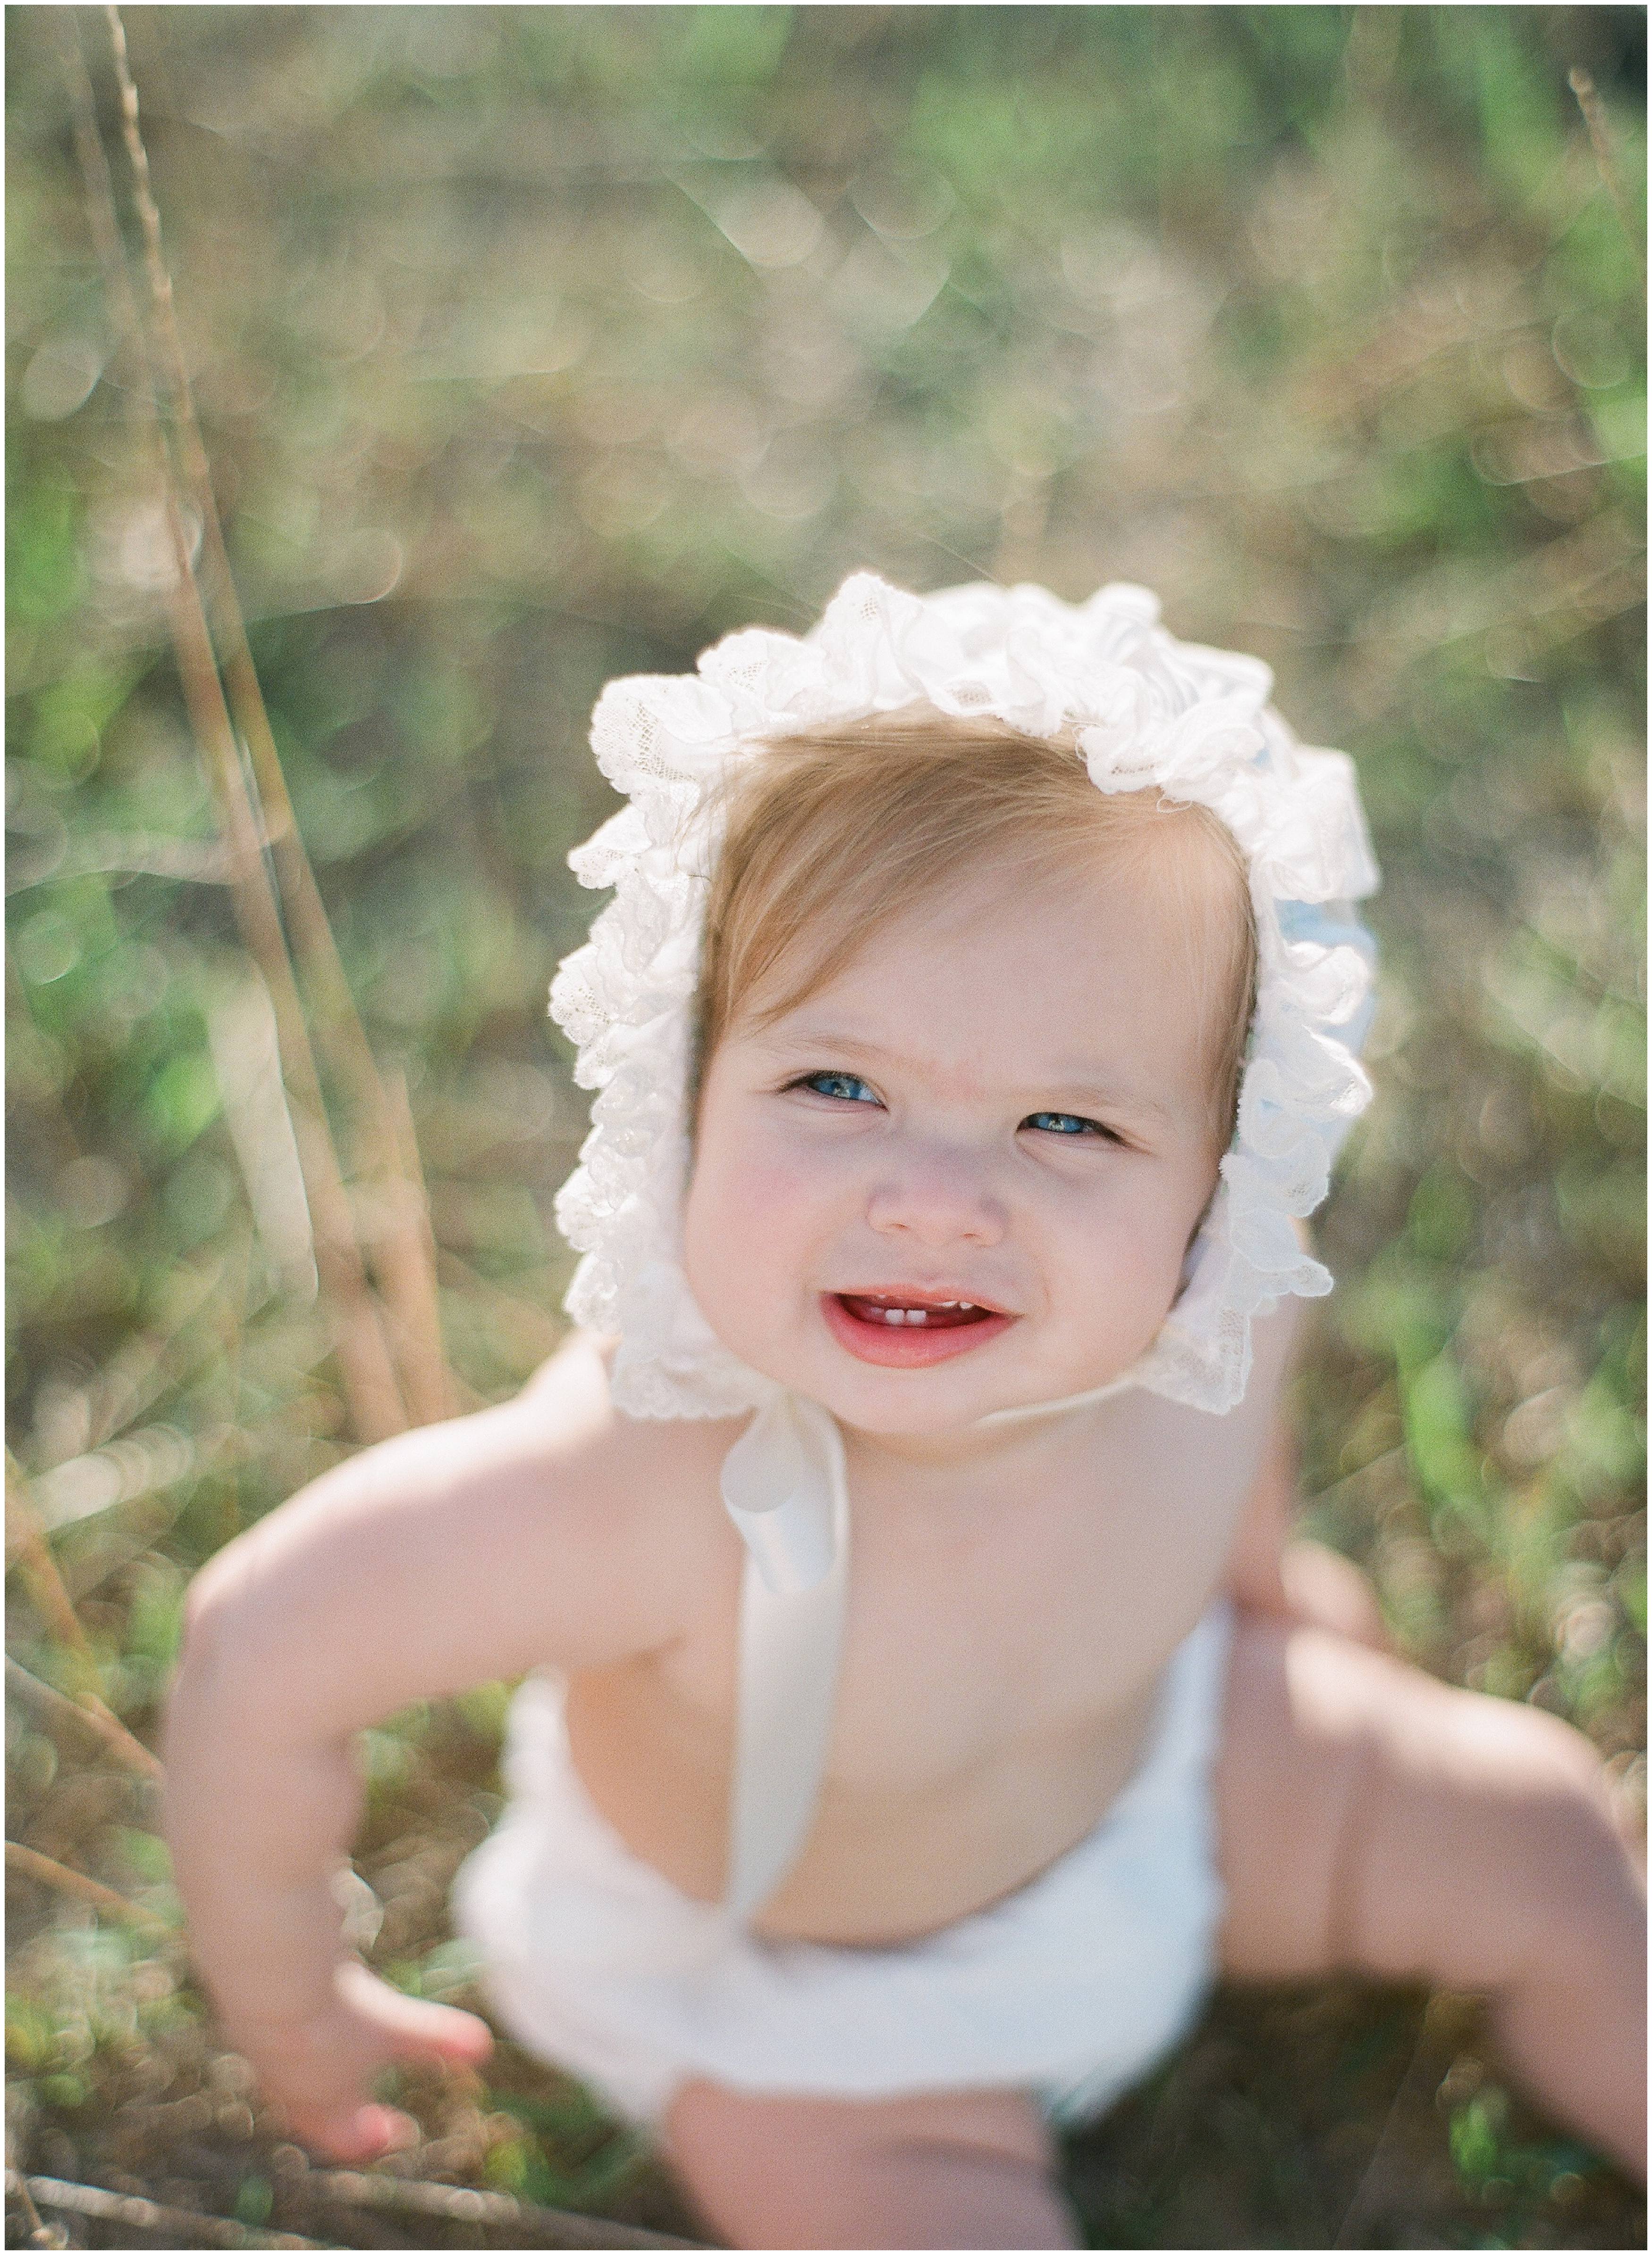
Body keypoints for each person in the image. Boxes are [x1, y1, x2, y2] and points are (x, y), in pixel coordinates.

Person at [164, 576, 1644, 2251]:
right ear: (680, 1099)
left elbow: (1247, 1474)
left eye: (1068, 1124)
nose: (936, 1198)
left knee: (1539, 1834)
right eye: (837, 1085)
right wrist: (297, 2006)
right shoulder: (642, 1478)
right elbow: (259, 1645)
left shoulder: (1204, 1335)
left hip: (1153, 1792)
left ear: (1218, 1189)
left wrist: (1262, 1602)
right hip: (810, 2008)